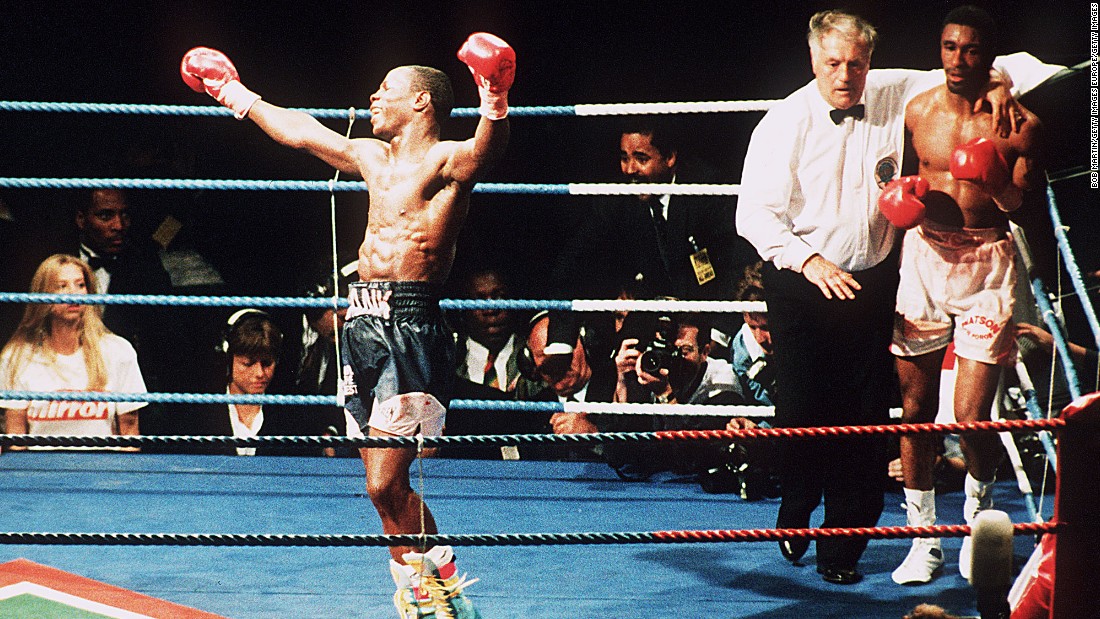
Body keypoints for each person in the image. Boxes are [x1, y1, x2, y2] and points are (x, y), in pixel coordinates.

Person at [181, 32, 512, 618]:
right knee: (384, 489)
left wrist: (494, 93)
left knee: (384, 484)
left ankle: (431, 579)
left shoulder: (445, 160)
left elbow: (487, 151)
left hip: (410, 322)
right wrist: (234, 92)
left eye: (386, 91)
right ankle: (431, 586)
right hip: (360, 322)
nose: (372, 98)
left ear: (421, 104)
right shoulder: (372, 158)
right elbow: (303, 133)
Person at [735, 9, 1054, 585]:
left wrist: (1002, 83)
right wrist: (810, 261)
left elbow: (980, 63)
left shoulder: (894, 89)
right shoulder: (782, 123)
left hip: (877, 279)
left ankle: (843, 548)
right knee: (803, 411)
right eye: (833, 62)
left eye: (856, 63)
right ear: (814, 59)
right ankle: (797, 504)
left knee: (866, 419)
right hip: (802, 281)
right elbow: (753, 215)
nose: (845, 74)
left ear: (870, 62)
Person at [888, 6, 1045, 585]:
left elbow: (1018, 207)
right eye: (950, 47)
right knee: (914, 410)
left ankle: (978, 525)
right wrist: (897, 199)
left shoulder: (1018, 123)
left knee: (972, 416)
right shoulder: (917, 112)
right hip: (926, 257)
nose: (958, 60)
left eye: (972, 50)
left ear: (990, 55)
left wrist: (994, 178)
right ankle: (922, 540)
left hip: (987, 263)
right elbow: (898, 178)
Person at [548, 117, 757, 359]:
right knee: (623, 359)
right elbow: (573, 261)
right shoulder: (617, 198)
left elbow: (738, 263)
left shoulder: (707, 190)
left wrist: (718, 333)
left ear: (669, 158)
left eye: (641, 158)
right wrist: (560, 340)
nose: (629, 169)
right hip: (653, 309)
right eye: (624, 158)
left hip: (711, 313)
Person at [0, 254, 147, 450]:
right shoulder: (17, 356)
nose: (73, 293)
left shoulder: (118, 351)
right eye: (62, 286)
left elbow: (130, 434)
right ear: (43, 294)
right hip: (40, 474)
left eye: (80, 285)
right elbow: (15, 437)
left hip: (104, 473)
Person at [611, 311, 746, 482]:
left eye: (684, 351)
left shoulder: (722, 384)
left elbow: (690, 460)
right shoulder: (651, 369)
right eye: (669, 349)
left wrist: (665, 395)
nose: (675, 359)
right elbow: (618, 453)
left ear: (704, 352)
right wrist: (622, 381)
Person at [175, 309, 327, 456]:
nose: (260, 373)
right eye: (248, 364)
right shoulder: (198, 416)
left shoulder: (294, 418)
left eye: (267, 363)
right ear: (227, 360)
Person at [728, 262, 776, 407]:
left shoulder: (803, 337)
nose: (760, 339)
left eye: (766, 327)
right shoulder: (742, 351)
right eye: (752, 327)